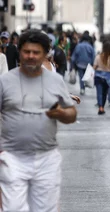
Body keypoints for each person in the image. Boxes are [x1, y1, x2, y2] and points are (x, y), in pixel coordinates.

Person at [0, 29, 77, 211]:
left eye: (36, 52)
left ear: (44, 54)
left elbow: (71, 113)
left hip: (46, 157)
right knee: (13, 209)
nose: (31, 56)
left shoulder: (55, 81)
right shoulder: (5, 82)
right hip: (13, 157)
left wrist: (61, 113)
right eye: (27, 52)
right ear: (20, 52)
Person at [93, 41, 110, 115]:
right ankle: (103, 106)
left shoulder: (98, 57)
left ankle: (100, 107)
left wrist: (91, 74)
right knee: (104, 93)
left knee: (99, 93)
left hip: (98, 76)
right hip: (107, 78)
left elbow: (94, 67)